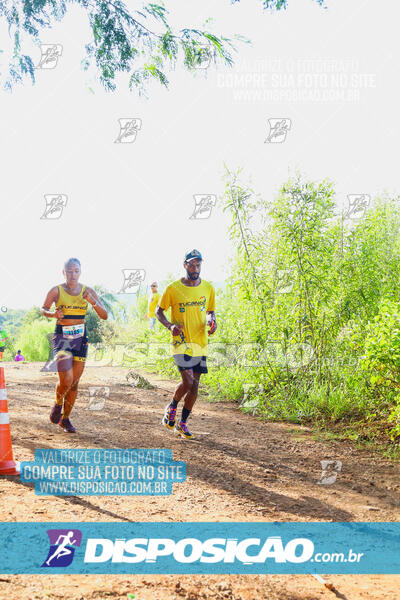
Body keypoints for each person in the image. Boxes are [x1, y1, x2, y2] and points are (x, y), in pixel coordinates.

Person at [40, 258, 108, 432]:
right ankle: (57, 404)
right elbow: (43, 309)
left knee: (75, 383)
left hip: (80, 338)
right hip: (62, 337)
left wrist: (92, 301)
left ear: (80, 272)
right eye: (69, 271)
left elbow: (104, 315)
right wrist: (53, 314)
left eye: (76, 271)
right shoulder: (56, 290)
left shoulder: (88, 291)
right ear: (64, 272)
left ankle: (66, 419)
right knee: (67, 379)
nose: (73, 275)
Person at [156, 249, 217, 440]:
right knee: (188, 381)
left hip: (200, 342)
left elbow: (211, 312)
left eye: (198, 264)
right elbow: (159, 311)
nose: (195, 268)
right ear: (185, 265)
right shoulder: (173, 289)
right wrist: (170, 325)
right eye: (191, 264)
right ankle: (172, 406)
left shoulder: (208, 288)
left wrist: (213, 322)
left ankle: (182, 423)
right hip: (181, 342)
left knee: (195, 385)